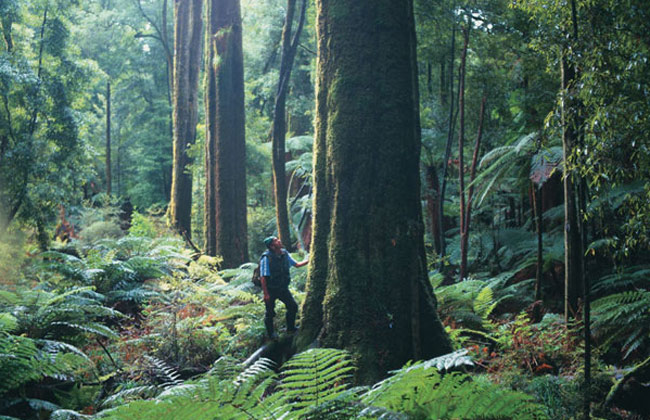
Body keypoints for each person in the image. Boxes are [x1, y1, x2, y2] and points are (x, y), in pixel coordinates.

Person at [259, 236, 308, 339]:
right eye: (276, 241)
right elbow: (263, 277)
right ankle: (271, 334)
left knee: (293, 306)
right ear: (272, 246)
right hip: (271, 289)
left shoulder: (284, 253)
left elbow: (297, 264)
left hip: (283, 288)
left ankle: (290, 328)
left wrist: (309, 259)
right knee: (270, 313)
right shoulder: (266, 258)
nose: (279, 241)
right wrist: (266, 294)